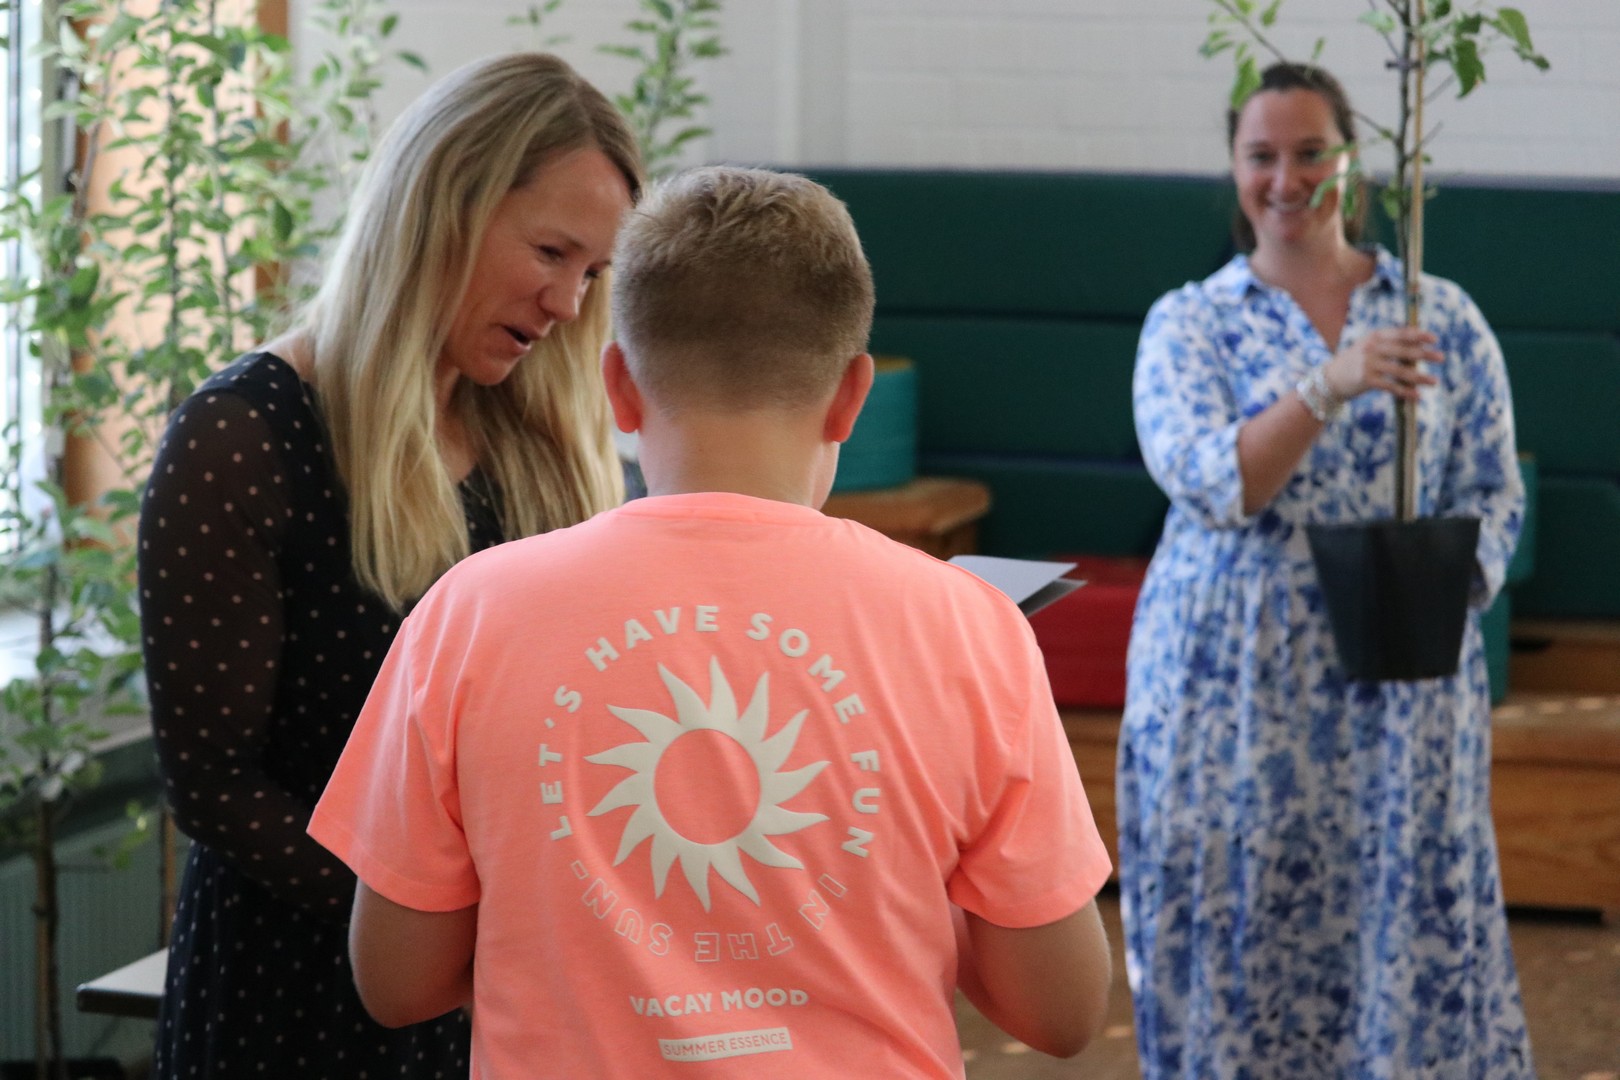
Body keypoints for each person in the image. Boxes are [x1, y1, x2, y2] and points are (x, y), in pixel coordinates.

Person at [308, 166, 1114, 1078]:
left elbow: (396, 980)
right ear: (852, 396)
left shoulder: (469, 612)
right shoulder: (969, 626)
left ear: (619, 387)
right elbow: (1062, 1009)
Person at [136, 52, 641, 1078]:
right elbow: (214, 786)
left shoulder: (533, 442)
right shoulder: (240, 437)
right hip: (294, 1002)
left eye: (592, 274)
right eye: (551, 252)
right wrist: (441, 920)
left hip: (492, 993)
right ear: (441, 206)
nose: (566, 304)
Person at [1117, 62, 1530, 1078]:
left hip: (1397, 685)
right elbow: (1219, 483)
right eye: (1262, 155)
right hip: (1234, 685)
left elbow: (1493, 487)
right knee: (1242, 918)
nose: (1286, 178)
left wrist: (1434, 594)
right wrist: (1329, 383)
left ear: (1353, 162)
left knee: (1400, 914)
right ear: (1233, 167)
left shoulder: (1440, 315)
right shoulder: (1189, 323)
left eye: (1312, 153)